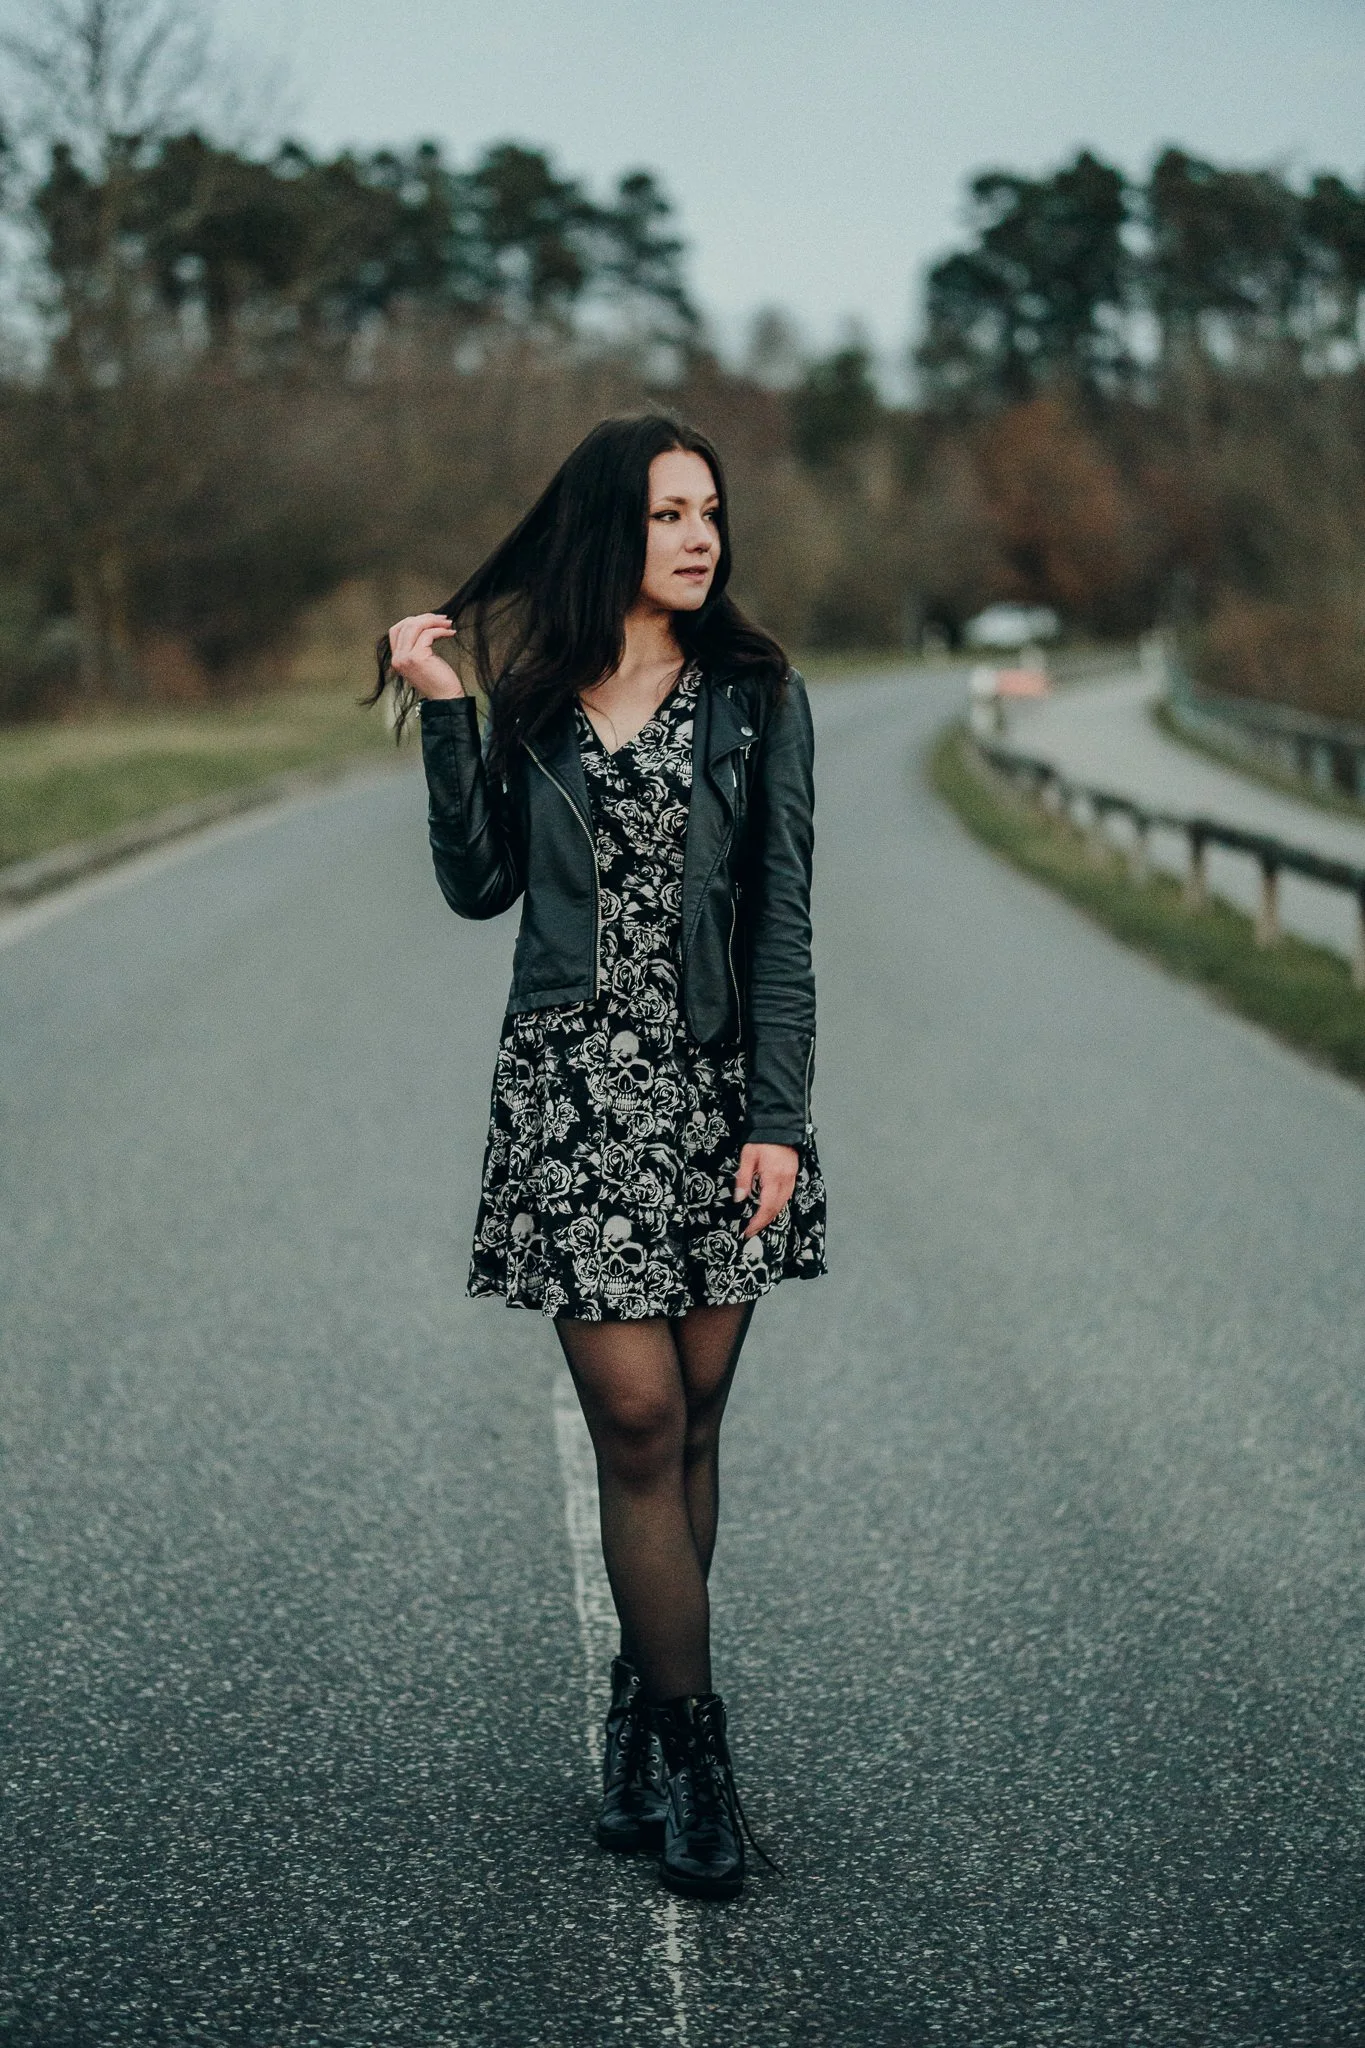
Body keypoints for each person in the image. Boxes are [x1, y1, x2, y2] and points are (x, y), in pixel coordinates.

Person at [373, 411, 826, 1901]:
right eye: (667, 515)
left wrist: (776, 1119)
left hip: (713, 1098)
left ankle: (639, 1708)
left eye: (711, 512)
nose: (700, 538)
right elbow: (478, 885)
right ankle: (699, 1756)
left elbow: (780, 926)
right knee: (637, 1426)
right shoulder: (539, 698)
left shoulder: (759, 697)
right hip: (573, 1094)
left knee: (695, 1422)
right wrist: (442, 704)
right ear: (606, 534)